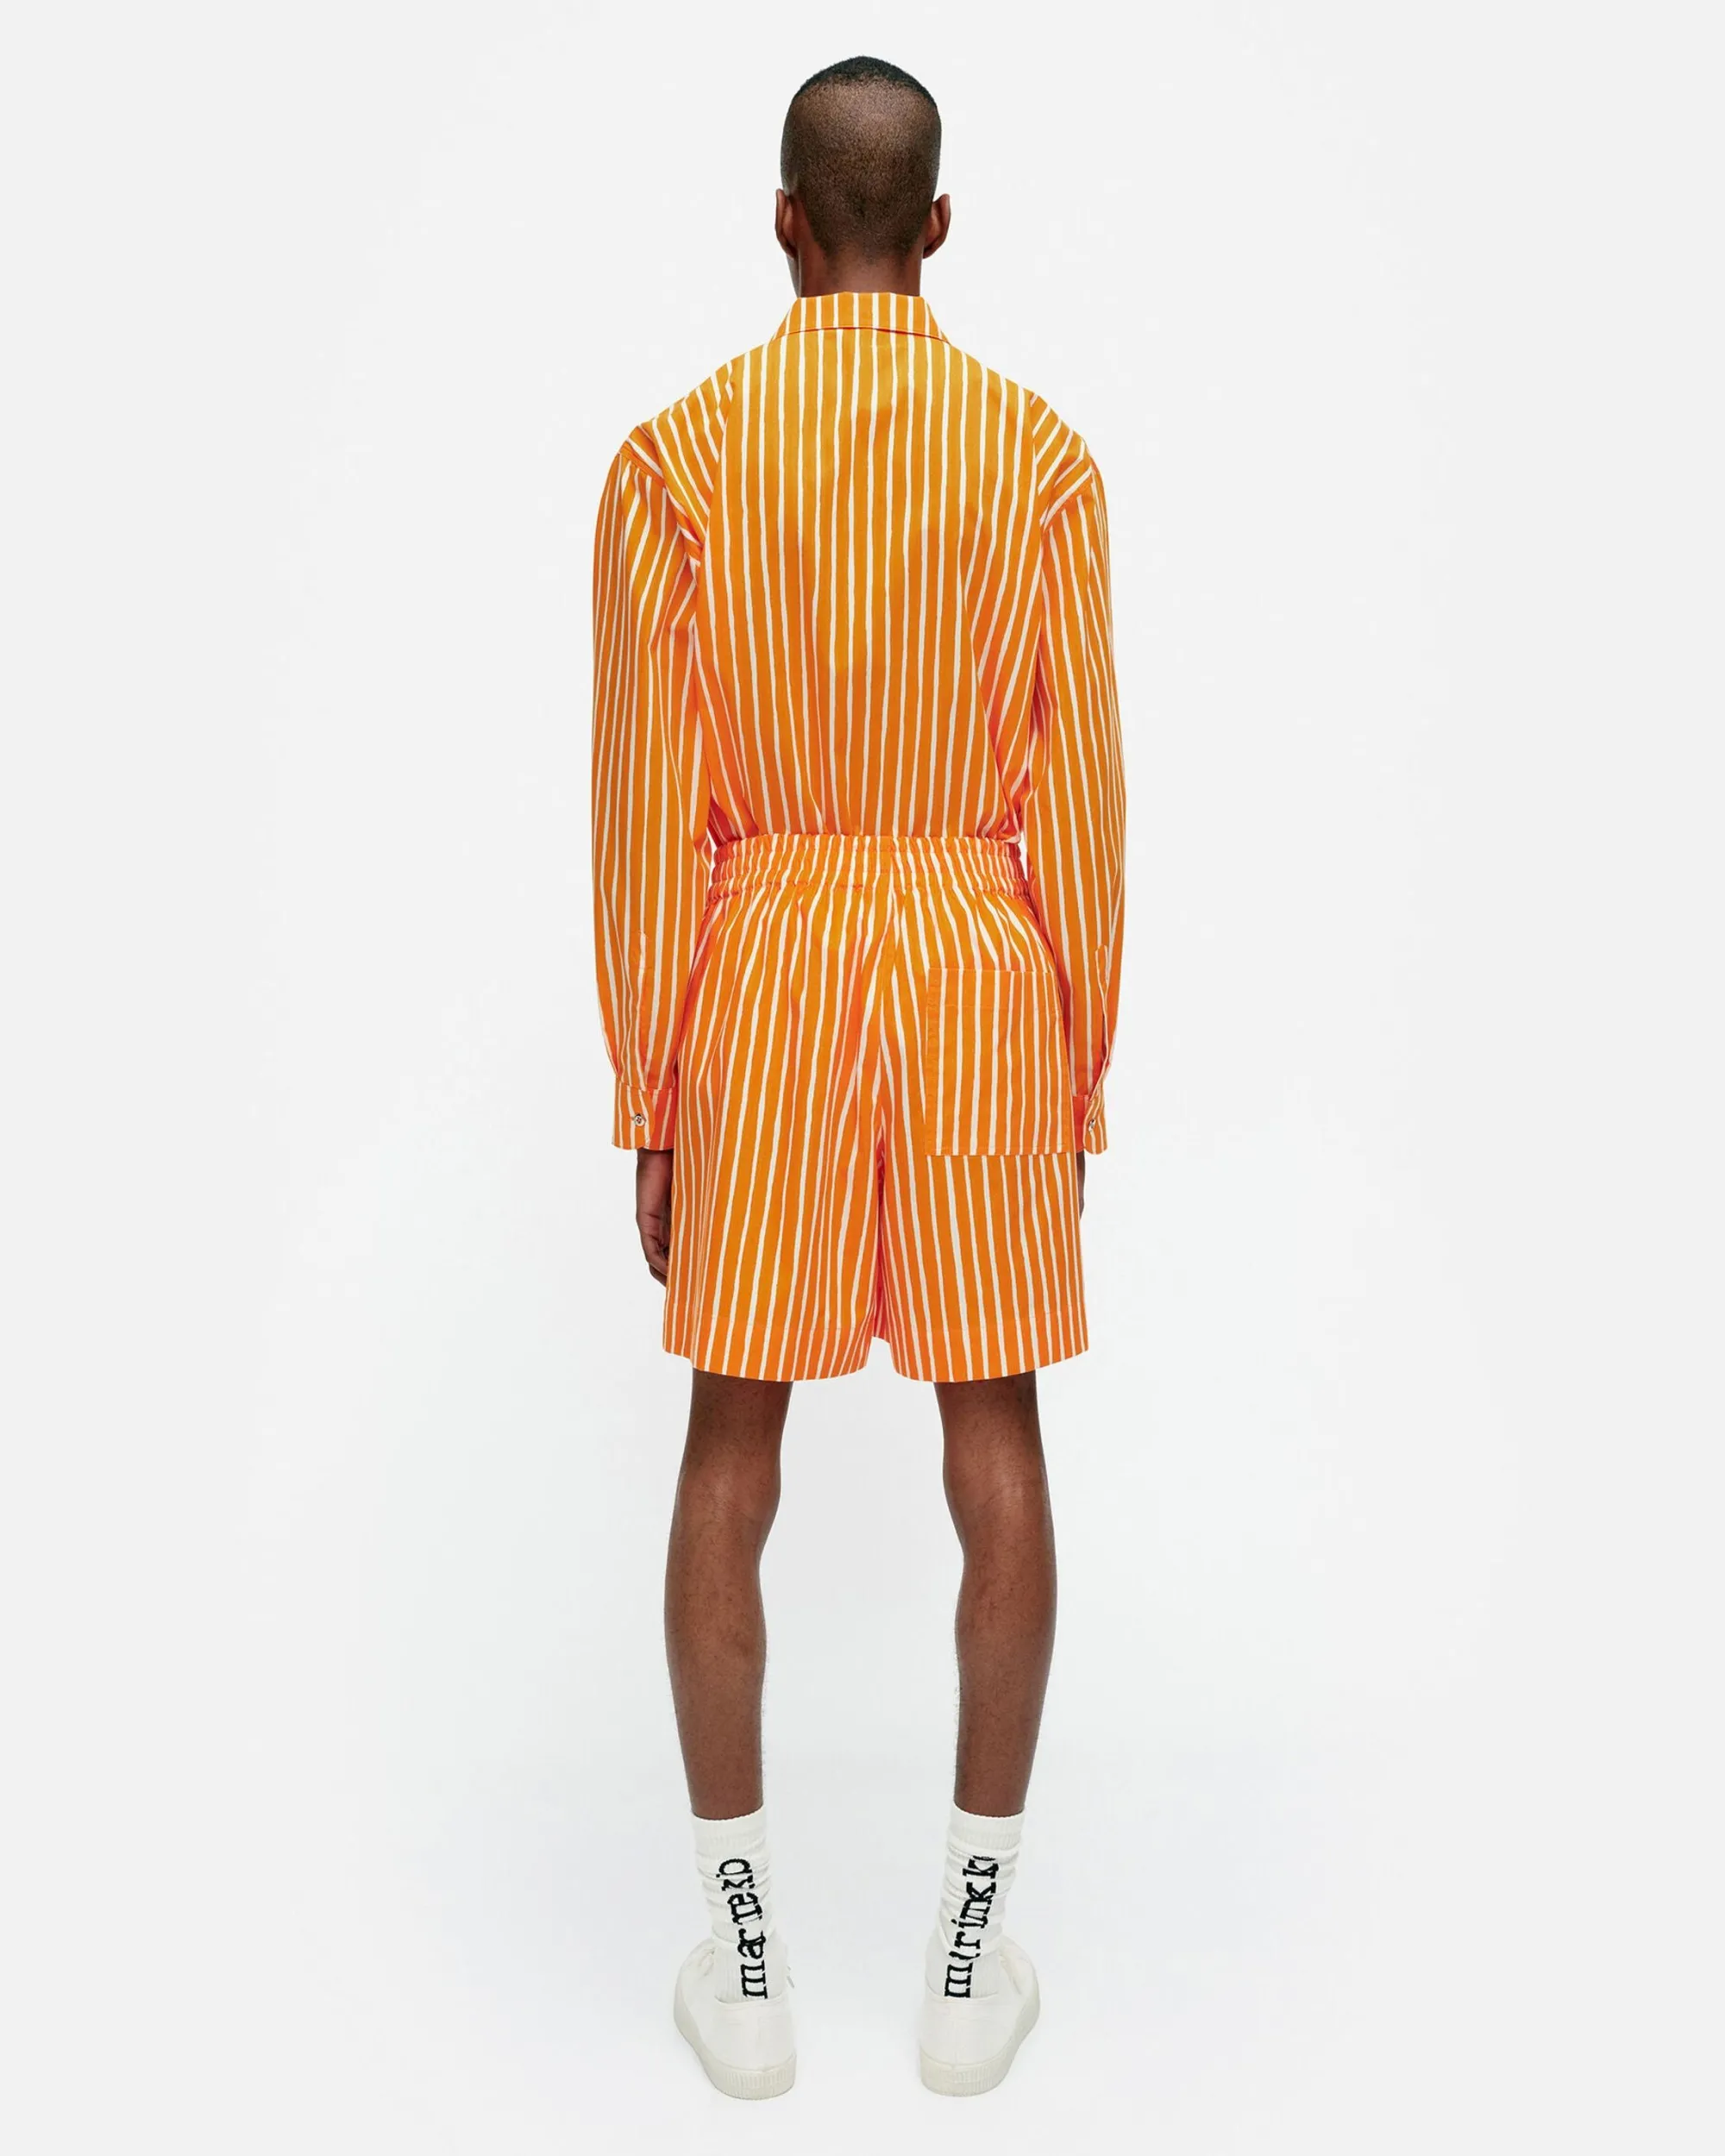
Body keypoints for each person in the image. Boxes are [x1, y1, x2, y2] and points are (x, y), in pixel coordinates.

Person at [590, 54, 1126, 2100]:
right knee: (998, 1436)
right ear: (941, 229)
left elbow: (648, 813)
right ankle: (971, 1957)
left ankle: (743, 1963)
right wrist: (1073, 1065)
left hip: (766, 972)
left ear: (787, 225)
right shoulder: (1040, 462)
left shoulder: (676, 464)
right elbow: (1082, 799)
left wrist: (653, 1084)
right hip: (983, 964)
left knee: (733, 1446)